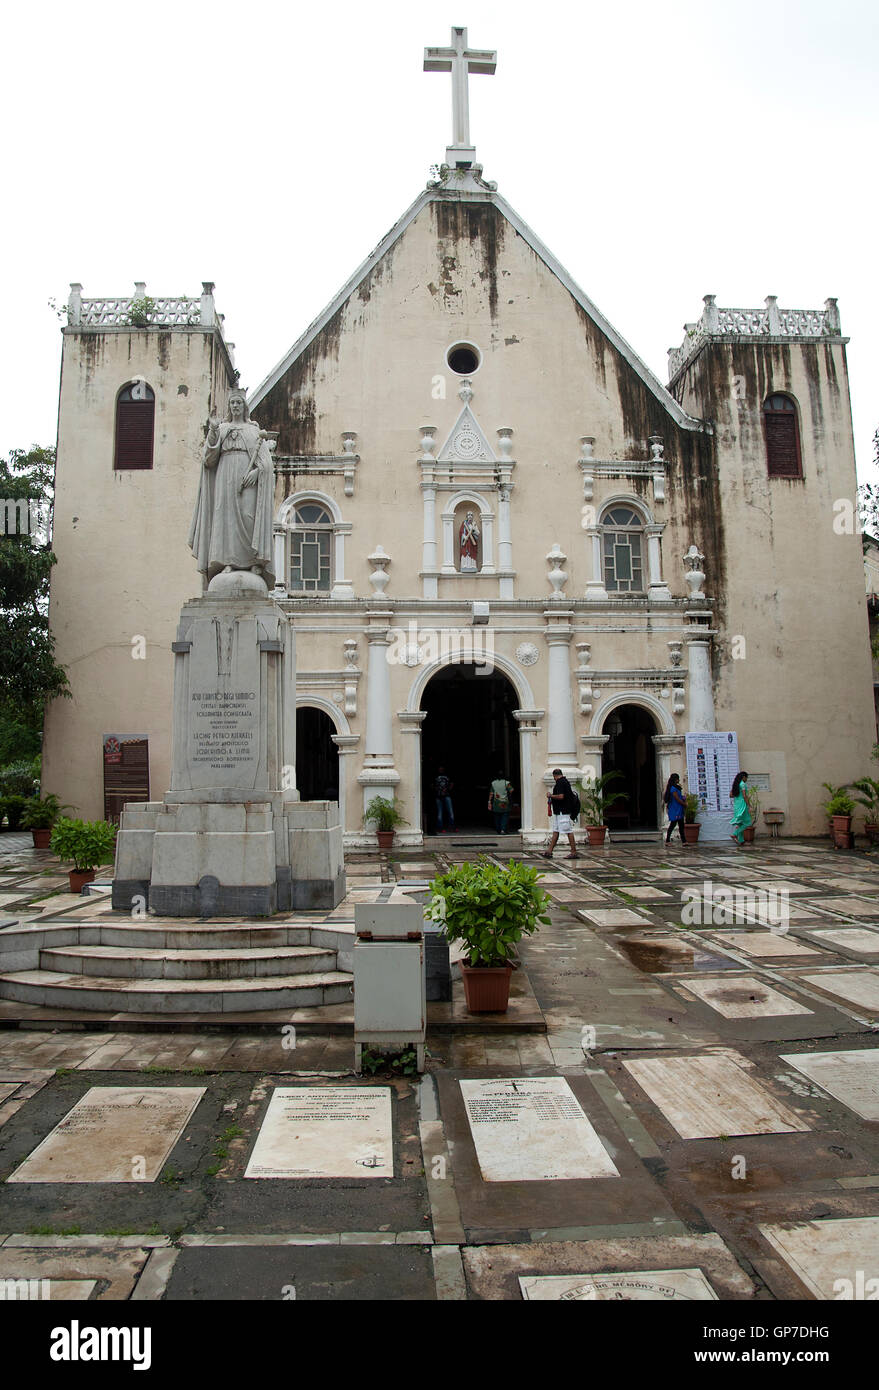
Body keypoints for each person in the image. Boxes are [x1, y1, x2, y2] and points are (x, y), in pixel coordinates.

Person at [189, 388, 276, 589]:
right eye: (232, 403)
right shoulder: (223, 429)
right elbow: (209, 459)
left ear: (244, 406)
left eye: (238, 403)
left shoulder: (254, 431)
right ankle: (227, 561)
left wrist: (257, 472)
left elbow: (267, 463)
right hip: (225, 476)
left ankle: (254, 562)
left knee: (248, 516)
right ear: (229, 406)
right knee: (225, 519)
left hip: (248, 480)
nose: (235, 406)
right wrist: (212, 431)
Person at [542, 768, 580, 859]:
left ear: (554, 776)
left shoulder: (560, 783)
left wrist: (551, 795)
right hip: (559, 812)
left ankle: (574, 852)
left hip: (563, 812)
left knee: (568, 831)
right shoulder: (564, 782)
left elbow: (561, 796)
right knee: (556, 831)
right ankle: (549, 851)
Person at [730, 770, 753, 845]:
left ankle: (741, 840)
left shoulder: (736, 784)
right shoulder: (743, 784)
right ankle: (735, 834)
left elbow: (731, 795)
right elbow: (744, 795)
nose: (747, 779)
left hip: (736, 805)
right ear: (743, 777)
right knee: (748, 822)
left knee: (740, 823)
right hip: (742, 805)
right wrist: (749, 805)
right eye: (746, 778)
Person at [663, 773, 686, 844]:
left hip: (678, 808)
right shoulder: (673, 788)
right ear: (675, 779)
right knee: (673, 825)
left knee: (681, 825)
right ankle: (667, 840)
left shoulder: (676, 787)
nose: (678, 780)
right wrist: (684, 804)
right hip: (675, 809)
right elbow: (677, 799)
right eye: (677, 779)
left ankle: (684, 841)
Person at [434, 766, 456, 834]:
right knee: (440, 813)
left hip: (447, 795)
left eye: (442, 768)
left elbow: (452, 784)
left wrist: (447, 789)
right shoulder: (435, 776)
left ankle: (452, 827)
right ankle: (440, 828)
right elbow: (432, 785)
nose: (441, 769)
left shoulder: (448, 775)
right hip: (438, 796)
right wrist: (437, 790)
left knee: (450, 812)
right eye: (440, 768)